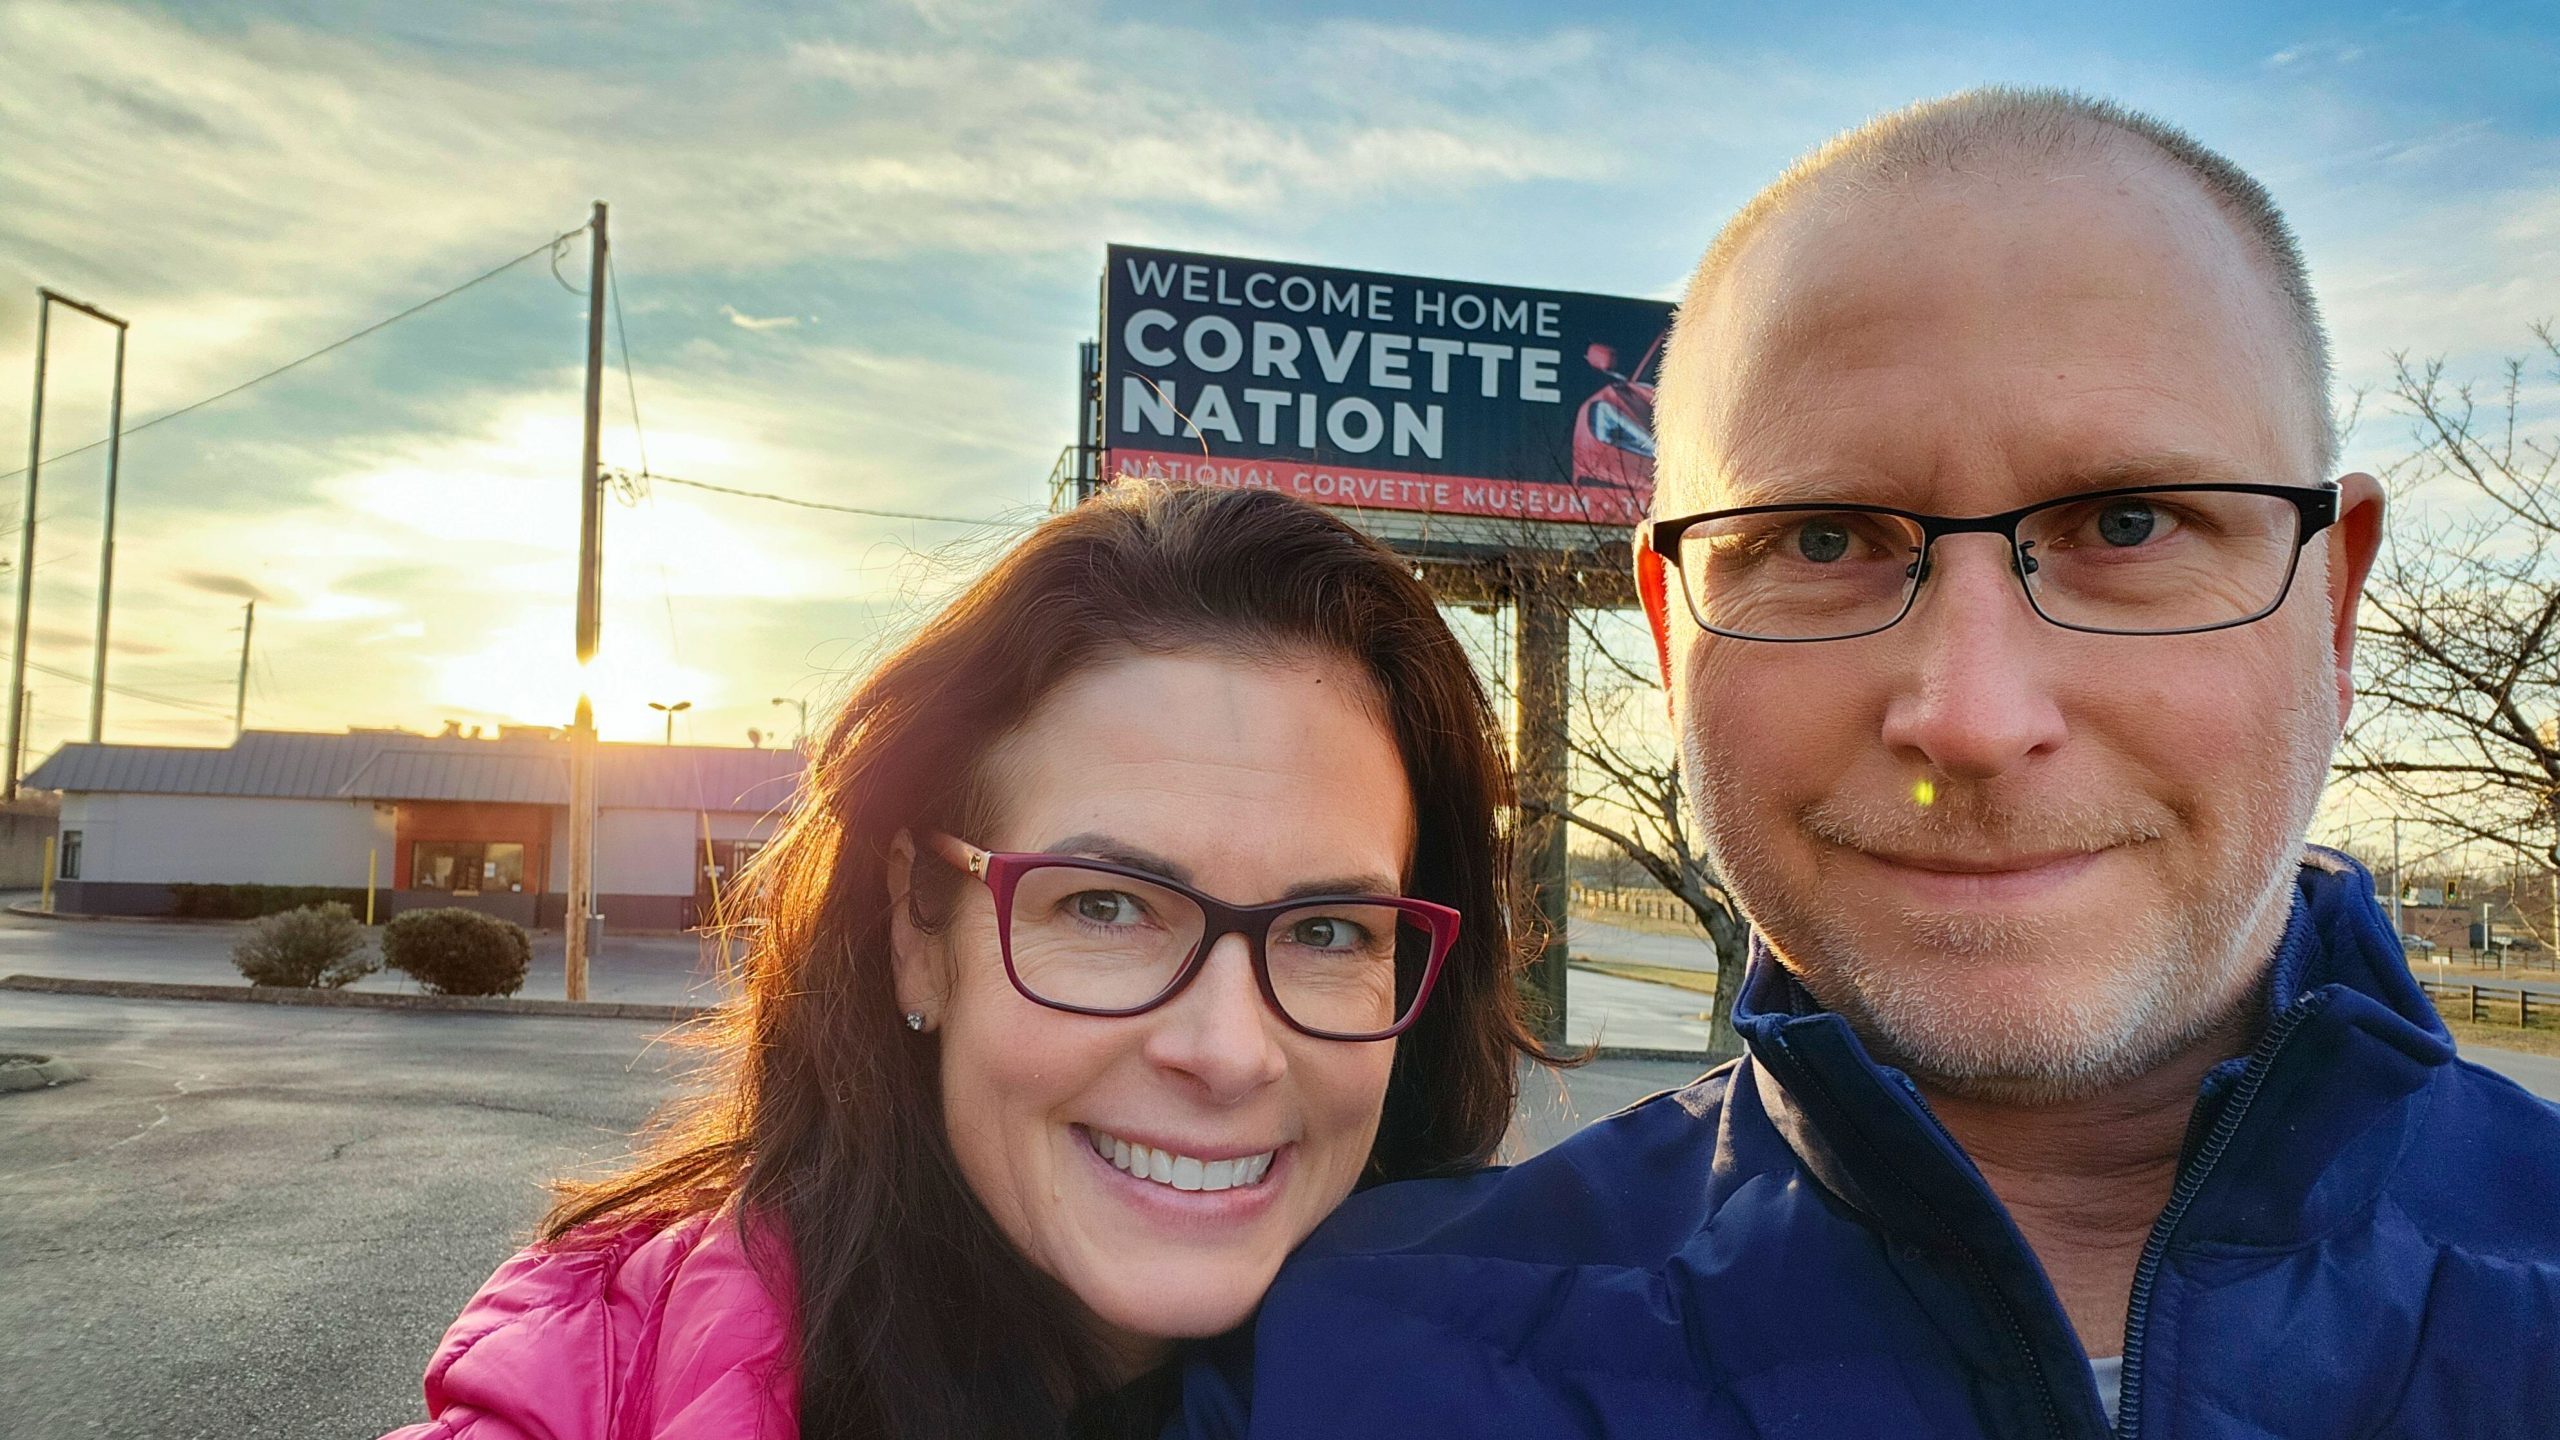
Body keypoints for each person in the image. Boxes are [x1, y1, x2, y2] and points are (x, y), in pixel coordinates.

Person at [1189, 88, 2560, 1438]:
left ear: (2333, 609)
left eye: (2129, 524)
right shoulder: (1341, 1377)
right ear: (1671, 641)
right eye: (1824, 540)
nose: (1971, 720)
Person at [381, 483, 1539, 1440]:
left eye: (1329, 930)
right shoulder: (588, 1405)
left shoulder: (1544, 1378)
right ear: (916, 933)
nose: (1230, 1051)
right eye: (1104, 907)